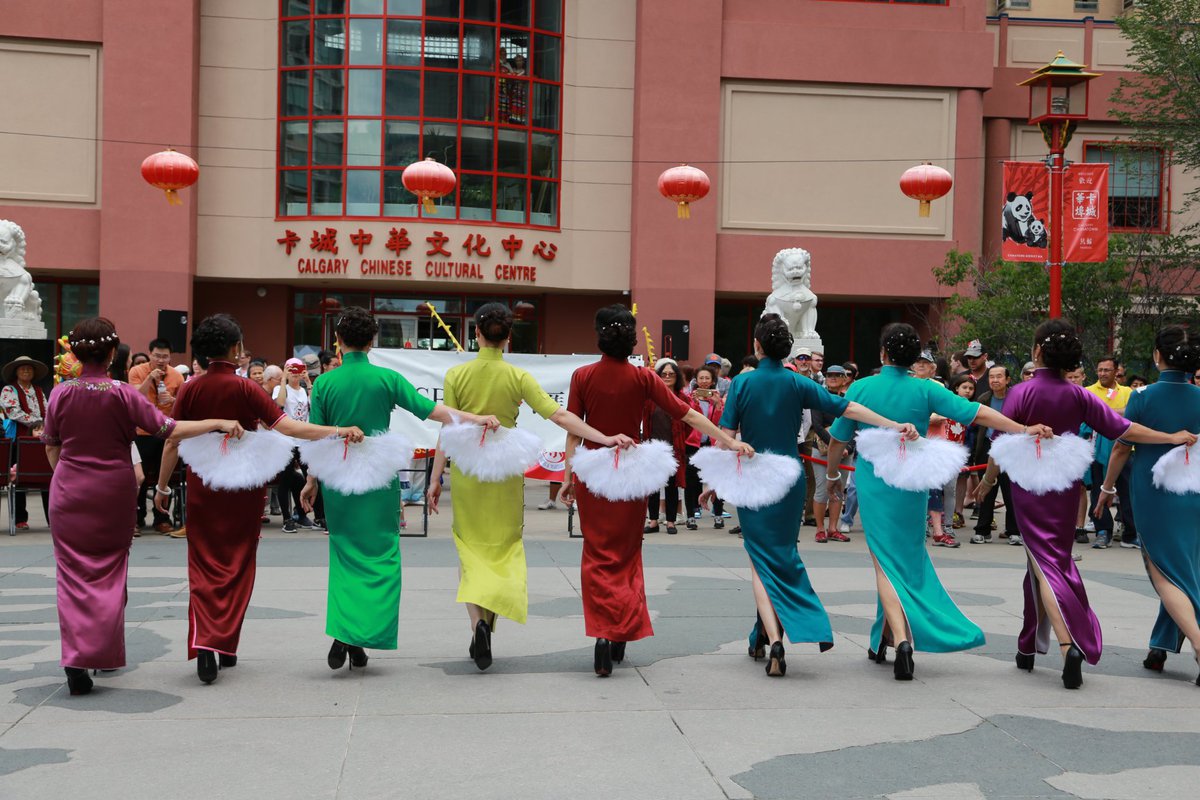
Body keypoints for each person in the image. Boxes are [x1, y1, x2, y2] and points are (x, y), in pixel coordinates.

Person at [825, 323, 1052, 681]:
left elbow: (838, 438)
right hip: (912, 482)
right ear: (915, 358)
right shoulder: (925, 389)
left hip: (875, 483)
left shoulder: (862, 387)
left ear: (883, 353)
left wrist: (833, 476)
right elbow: (977, 414)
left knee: (884, 563)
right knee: (904, 557)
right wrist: (1023, 429)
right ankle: (880, 639)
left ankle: (901, 640)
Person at [975, 319, 1193, 690]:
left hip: (1029, 485)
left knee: (1043, 566)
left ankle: (1066, 644)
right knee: (1047, 561)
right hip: (1065, 486)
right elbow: (1123, 431)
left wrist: (987, 481)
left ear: (1038, 352)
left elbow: (1000, 442)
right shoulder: (1079, 395)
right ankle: (1028, 644)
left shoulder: (1021, 393)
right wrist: (1170, 437)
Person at [156, 315, 363, 685]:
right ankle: (224, 642)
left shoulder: (189, 389)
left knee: (202, 562)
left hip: (203, 483)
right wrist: (337, 430)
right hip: (244, 485)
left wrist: (162, 487)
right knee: (237, 563)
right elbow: (289, 427)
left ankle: (207, 642)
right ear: (236, 350)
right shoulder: (246, 389)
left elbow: (172, 439)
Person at [42, 317, 242, 696]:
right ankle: (96, 653)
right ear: (113, 353)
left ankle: (75, 659)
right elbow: (169, 429)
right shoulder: (123, 393)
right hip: (114, 491)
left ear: (78, 354)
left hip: (69, 491)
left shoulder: (61, 394)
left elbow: (51, 445)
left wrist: (67, 477)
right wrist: (217, 421)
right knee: (110, 572)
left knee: (71, 576)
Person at [427, 303, 633, 671]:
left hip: (469, 470)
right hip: (505, 469)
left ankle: (478, 625)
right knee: (503, 548)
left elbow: (448, 428)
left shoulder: (456, 375)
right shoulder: (517, 376)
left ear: (476, 333)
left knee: (470, 550)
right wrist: (602, 436)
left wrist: (434, 478)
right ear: (508, 337)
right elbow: (561, 416)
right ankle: (487, 626)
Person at [300, 307, 499, 673]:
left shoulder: (325, 384)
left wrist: (311, 481)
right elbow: (433, 411)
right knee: (382, 558)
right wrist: (476, 418)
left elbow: (315, 437)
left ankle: (347, 633)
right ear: (372, 341)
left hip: (337, 476)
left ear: (339, 343)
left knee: (344, 556)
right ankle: (358, 635)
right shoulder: (387, 378)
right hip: (378, 476)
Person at [558, 305, 753, 676]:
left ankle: (601, 632)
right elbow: (688, 414)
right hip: (632, 472)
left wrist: (568, 475)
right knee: (627, 554)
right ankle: (618, 631)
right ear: (631, 338)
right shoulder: (644, 378)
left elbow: (574, 429)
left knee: (596, 553)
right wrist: (727, 440)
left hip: (593, 474)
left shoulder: (581, 376)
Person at [723, 315, 917, 677]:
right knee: (781, 555)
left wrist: (718, 471)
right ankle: (763, 634)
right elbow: (847, 408)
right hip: (790, 480)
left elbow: (726, 434)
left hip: (752, 478)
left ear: (757, 346)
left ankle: (776, 640)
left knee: (758, 560)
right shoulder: (797, 383)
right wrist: (892, 424)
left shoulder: (740, 384)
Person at [1095, 325, 1200, 682]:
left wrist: (1107, 488)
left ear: (1158, 355)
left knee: (1164, 572)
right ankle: (1159, 646)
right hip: (1193, 491)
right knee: (1183, 567)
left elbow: (1122, 444)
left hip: (1154, 493)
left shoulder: (1141, 397)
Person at [128, 338, 185, 535]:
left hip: (166, 433)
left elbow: (183, 406)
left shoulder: (177, 376)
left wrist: (174, 400)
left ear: (170, 357)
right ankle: (136, 519)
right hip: (142, 432)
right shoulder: (137, 371)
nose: (161, 360)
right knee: (138, 478)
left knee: (164, 478)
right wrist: (149, 379)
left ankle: (162, 518)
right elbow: (134, 398)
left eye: (165, 356)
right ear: (150, 354)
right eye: (157, 355)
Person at [1086, 355, 1137, 549]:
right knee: (1099, 489)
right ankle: (1102, 531)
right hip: (1098, 448)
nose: (1102, 373)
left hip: (1126, 448)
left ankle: (1130, 534)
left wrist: (1104, 412)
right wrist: (1117, 412)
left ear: (1117, 371)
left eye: (1107, 370)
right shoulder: (1088, 391)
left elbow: (1132, 413)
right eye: (1100, 370)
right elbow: (1088, 415)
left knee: (1128, 491)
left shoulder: (1128, 392)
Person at [970, 366, 1022, 545]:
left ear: (1008, 379)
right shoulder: (984, 399)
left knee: (1010, 490)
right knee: (986, 489)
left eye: (999, 376)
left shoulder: (1017, 398)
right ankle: (982, 530)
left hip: (1011, 447)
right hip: (987, 446)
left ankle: (1013, 531)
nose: (995, 380)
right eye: (991, 377)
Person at [2, 355, 51, 529]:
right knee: (18, 478)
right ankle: (20, 519)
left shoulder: (38, 390)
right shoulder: (9, 390)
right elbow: (13, 413)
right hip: (19, 442)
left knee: (47, 478)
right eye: (22, 368)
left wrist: (46, 425)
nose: (26, 370)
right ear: (16, 371)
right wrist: (39, 422)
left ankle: (52, 519)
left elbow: (48, 410)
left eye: (29, 368)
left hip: (41, 441)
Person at [272, 358, 322, 532]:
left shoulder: (304, 390)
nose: (295, 373)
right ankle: (287, 519)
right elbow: (279, 404)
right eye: (292, 369)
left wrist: (308, 382)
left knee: (311, 476)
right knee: (285, 479)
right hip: (286, 440)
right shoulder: (280, 388)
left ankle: (308, 515)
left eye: (298, 369)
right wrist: (284, 379)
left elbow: (315, 406)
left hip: (304, 440)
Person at [643, 358, 688, 535]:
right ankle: (653, 520)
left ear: (677, 377)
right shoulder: (650, 398)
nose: (668, 376)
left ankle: (670, 521)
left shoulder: (683, 398)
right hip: (652, 447)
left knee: (671, 486)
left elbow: (692, 422)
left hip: (673, 448)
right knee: (653, 486)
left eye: (671, 374)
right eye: (664, 374)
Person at [810, 364, 852, 543]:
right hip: (821, 450)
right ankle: (820, 529)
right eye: (829, 375)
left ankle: (833, 528)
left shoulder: (850, 400)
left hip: (844, 451)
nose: (833, 377)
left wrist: (848, 448)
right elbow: (817, 426)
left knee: (838, 490)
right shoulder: (819, 399)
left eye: (837, 375)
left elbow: (854, 426)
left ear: (845, 379)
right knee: (822, 489)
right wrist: (836, 446)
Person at [684, 365, 726, 530]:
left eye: (707, 378)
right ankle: (691, 516)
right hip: (693, 444)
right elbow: (690, 419)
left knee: (715, 480)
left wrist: (717, 405)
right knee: (691, 481)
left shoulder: (717, 399)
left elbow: (718, 424)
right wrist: (694, 402)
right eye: (701, 378)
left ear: (713, 381)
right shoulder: (689, 398)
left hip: (712, 444)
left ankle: (718, 514)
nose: (704, 381)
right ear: (696, 380)